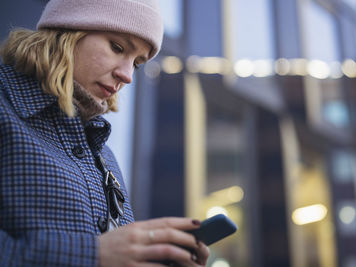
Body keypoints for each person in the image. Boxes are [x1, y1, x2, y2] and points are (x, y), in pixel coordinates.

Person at [0, 0, 209, 266]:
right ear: (69, 29)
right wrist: (93, 255)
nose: (127, 76)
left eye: (136, 63)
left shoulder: (103, 154)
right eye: (118, 47)